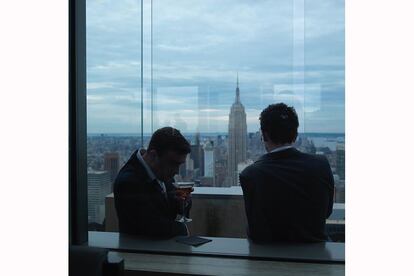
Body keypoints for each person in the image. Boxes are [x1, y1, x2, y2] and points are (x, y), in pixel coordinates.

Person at [239, 103, 334, 242]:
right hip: (317, 257)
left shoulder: (250, 174)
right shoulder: (321, 165)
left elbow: (255, 228)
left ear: (264, 135)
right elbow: (327, 212)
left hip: (268, 259)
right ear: (295, 135)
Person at [113, 127, 192, 238]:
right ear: (154, 155)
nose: (176, 171)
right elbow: (153, 228)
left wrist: (182, 203)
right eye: (174, 164)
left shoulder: (160, 170)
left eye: (179, 165)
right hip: (140, 253)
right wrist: (183, 228)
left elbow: (168, 208)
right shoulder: (129, 182)